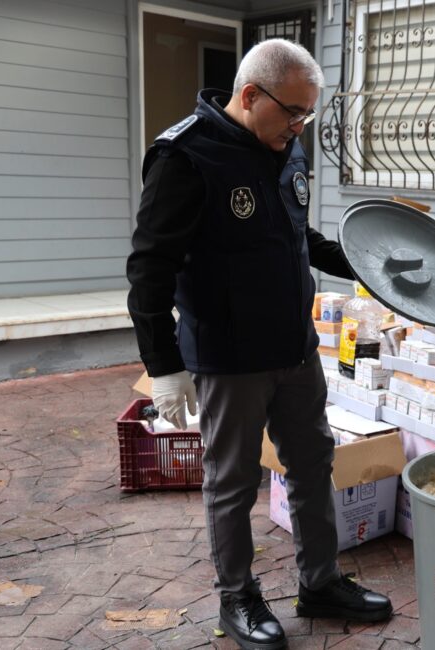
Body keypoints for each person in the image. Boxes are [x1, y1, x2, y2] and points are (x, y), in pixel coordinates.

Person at [126, 39, 392, 650]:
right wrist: (163, 365)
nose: (301, 127)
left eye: (307, 115)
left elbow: (299, 236)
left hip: (296, 350)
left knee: (312, 465)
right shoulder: (186, 155)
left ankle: (320, 583)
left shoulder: (283, 145)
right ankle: (237, 599)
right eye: (294, 113)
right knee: (233, 482)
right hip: (229, 358)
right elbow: (149, 270)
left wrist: (370, 265)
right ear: (250, 96)